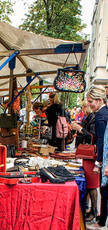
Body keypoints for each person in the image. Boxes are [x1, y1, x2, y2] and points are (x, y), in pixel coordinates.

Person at [85, 85, 108, 229]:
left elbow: (101, 141)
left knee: (104, 189)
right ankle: (102, 217)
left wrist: (99, 161)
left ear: (99, 100)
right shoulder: (105, 113)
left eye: (90, 101)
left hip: (105, 158)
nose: (89, 104)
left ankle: (101, 221)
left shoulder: (101, 116)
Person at [71, 102, 98, 222]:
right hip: (88, 155)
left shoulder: (94, 117)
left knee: (92, 185)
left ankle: (94, 211)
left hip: (91, 155)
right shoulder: (90, 117)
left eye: (84, 106)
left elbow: (92, 136)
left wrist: (80, 129)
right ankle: (89, 208)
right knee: (89, 183)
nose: (84, 109)